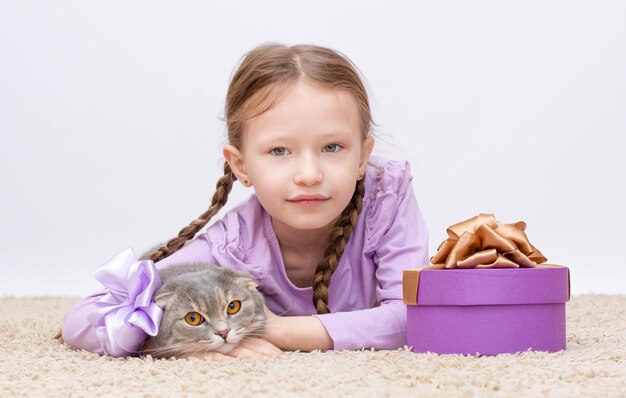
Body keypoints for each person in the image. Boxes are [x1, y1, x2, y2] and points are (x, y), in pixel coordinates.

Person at [61, 43, 429, 360]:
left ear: (363, 157)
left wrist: (275, 329)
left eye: (332, 147)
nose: (308, 174)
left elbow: (415, 316)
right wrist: (190, 346)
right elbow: (83, 320)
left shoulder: (386, 196)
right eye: (279, 150)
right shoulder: (232, 246)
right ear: (241, 166)